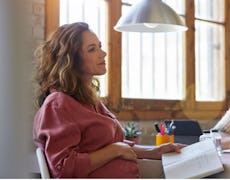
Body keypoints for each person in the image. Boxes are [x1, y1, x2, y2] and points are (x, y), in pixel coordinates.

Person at [33, 22, 184, 178]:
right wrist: (113, 151)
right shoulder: (58, 104)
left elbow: (115, 145)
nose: (103, 53)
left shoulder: (88, 100)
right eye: (92, 49)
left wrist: (156, 151)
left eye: (100, 46)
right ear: (71, 59)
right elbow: (63, 169)